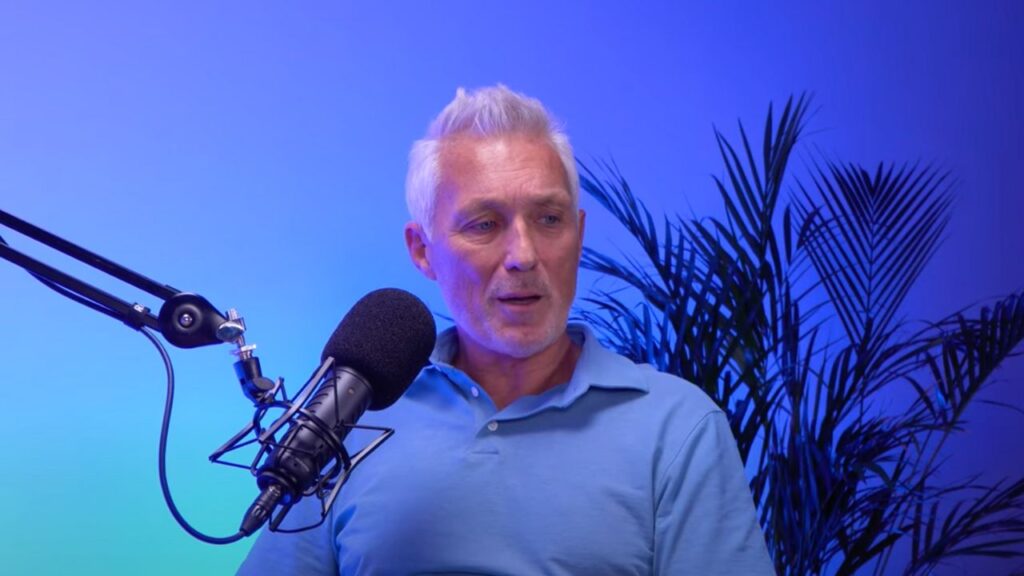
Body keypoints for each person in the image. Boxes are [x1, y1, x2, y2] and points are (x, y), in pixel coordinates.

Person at [237, 85, 774, 575]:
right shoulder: (352, 417)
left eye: (548, 219)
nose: (523, 255)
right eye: (485, 224)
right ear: (423, 251)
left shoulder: (677, 428)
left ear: (578, 234)